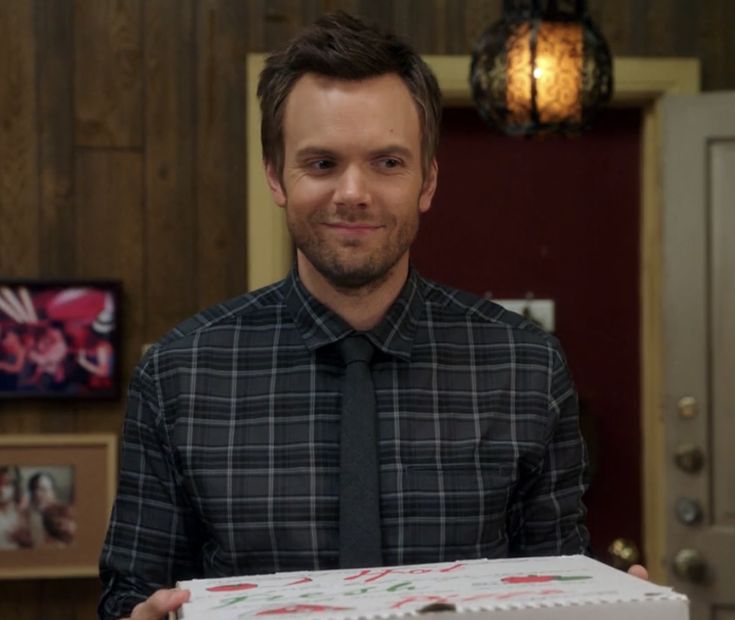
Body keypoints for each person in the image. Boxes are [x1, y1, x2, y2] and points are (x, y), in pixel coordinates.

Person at [98, 12, 645, 620]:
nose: (353, 192)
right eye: (322, 163)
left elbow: (553, 581)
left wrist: (613, 605)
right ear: (276, 176)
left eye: (387, 162)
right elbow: (129, 593)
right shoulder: (178, 375)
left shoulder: (526, 365)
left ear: (428, 180)